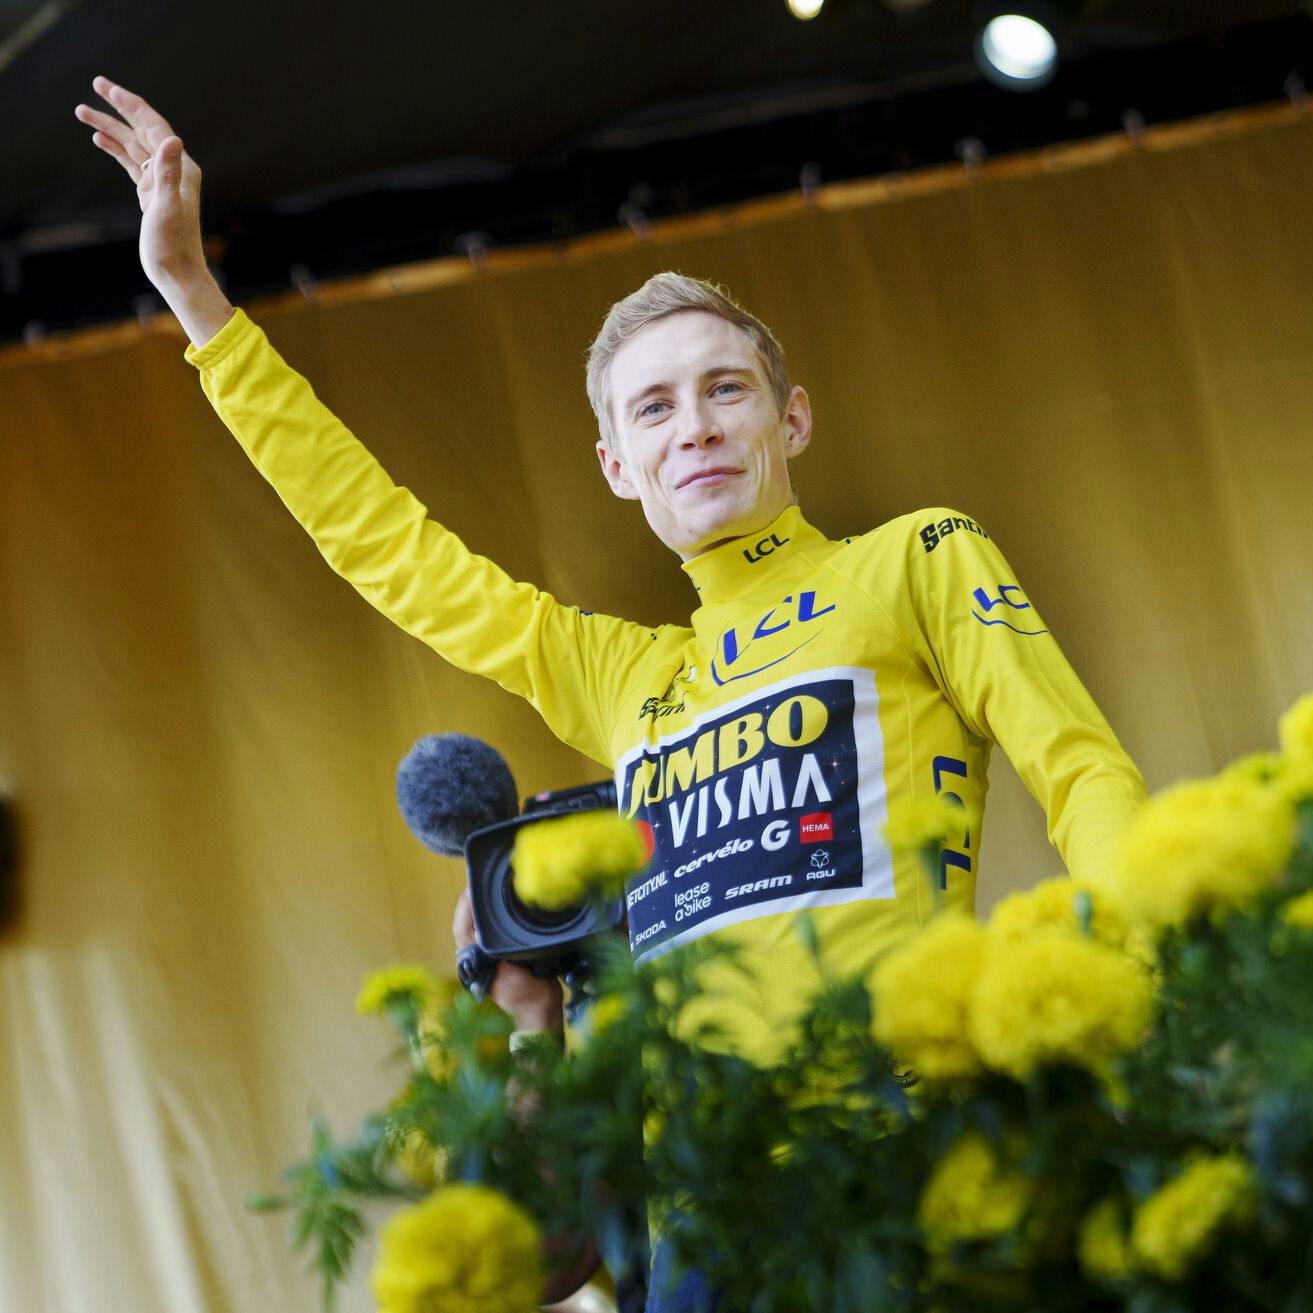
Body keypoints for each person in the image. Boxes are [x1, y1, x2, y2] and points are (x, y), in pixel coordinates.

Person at [79, 74, 1148, 1305]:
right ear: (617, 465)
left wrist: (1151, 996)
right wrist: (199, 304)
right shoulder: (621, 673)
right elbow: (386, 544)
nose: (692, 425)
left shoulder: (915, 558)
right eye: (654, 407)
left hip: (909, 1148)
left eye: (725, 388)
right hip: (700, 1214)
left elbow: (1082, 771)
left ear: (791, 419)